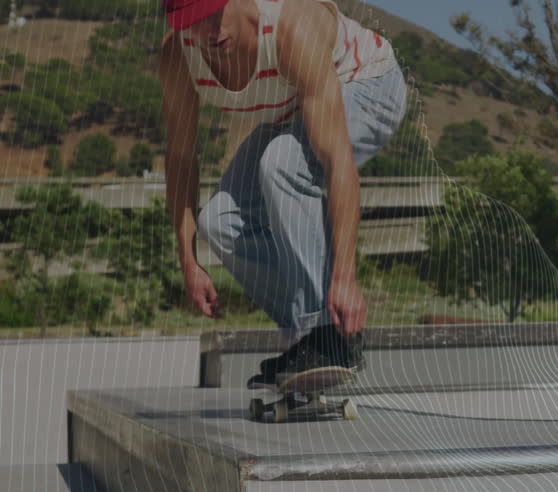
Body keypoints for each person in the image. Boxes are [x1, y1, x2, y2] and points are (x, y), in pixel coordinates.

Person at [159, 0, 407, 388]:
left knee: (282, 164)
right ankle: (314, 335)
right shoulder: (178, 55)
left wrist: (344, 277)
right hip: (293, 107)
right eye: (191, 23)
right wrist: (188, 260)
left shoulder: (293, 26)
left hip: (367, 84)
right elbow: (180, 158)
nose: (209, 32)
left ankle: (328, 336)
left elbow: (338, 163)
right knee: (219, 221)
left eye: (213, 13)